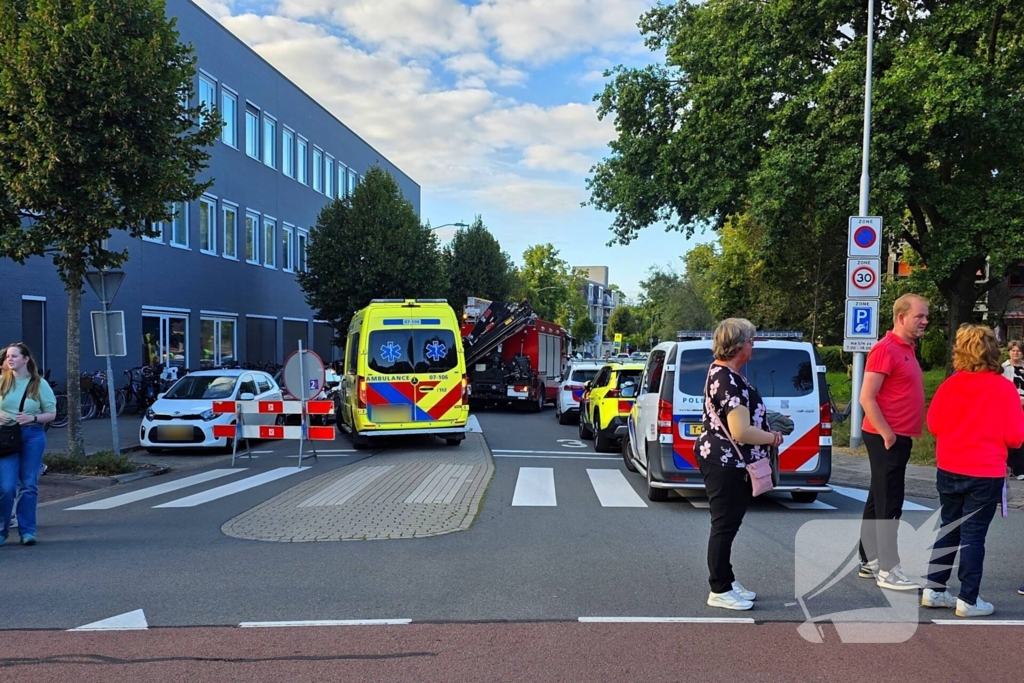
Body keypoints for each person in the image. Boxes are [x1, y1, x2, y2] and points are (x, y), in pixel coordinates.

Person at [921, 325, 1024, 617]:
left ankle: (935, 588)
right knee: (973, 536)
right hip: (985, 470)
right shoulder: (1004, 388)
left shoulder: (949, 385)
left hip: (949, 466)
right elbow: (1016, 437)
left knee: (948, 526)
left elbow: (934, 426)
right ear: (994, 351)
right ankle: (969, 598)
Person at [695, 318, 784, 611]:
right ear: (738, 345)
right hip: (725, 461)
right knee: (724, 524)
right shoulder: (728, 379)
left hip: (726, 458)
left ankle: (727, 581)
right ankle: (719, 588)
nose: (753, 345)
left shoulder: (725, 373)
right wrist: (772, 437)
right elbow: (741, 431)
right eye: (750, 340)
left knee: (728, 523)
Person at [858, 293, 929, 590]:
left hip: (897, 434)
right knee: (890, 500)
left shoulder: (908, 348)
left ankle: (868, 558)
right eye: (920, 316)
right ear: (901, 317)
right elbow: (866, 396)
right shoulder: (886, 349)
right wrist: (888, 433)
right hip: (886, 435)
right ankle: (888, 569)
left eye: (926, 316)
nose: (925, 321)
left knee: (879, 497)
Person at [0, 343, 57, 547]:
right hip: (6, 437)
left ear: (26, 359)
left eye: (14, 356)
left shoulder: (39, 384)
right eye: (8, 356)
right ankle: (2, 530)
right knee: (6, 487)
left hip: (32, 436)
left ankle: (27, 531)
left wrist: (32, 418)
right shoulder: (2, 382)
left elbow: (51, 414)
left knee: (28, 484)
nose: (10, 359)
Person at [1001, 340, 1024, 480]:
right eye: (1013, 350)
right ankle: (1009, 467)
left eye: (1018, 351)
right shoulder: (1003, 368)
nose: (1016, 353)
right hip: (1009, 406)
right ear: (1009, 351)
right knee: (1010, 436)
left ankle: (1021, 468)